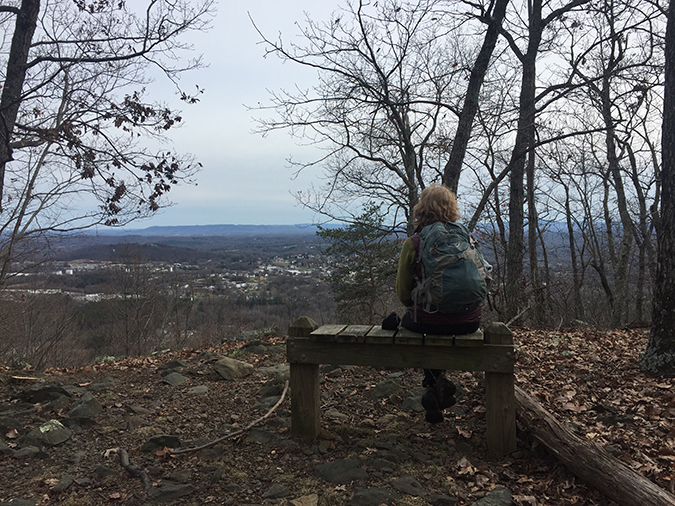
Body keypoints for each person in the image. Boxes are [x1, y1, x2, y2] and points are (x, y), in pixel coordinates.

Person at [396, 184, 483, 423]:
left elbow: (403, 294)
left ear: (421, 209)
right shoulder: (467, 237)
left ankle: (433, 385)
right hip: (469, 322)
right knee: (436, 321)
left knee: (421, 320)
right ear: (451, 208)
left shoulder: (414, 243)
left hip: (428, 322)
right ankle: (437, 388)